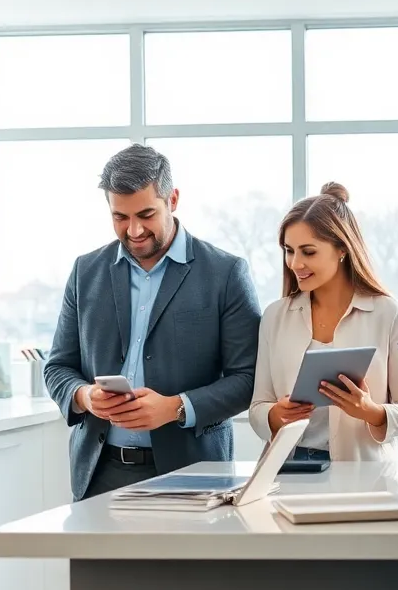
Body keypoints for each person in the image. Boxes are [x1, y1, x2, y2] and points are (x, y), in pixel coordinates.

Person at [43, 144, 262, 500]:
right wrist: (85, 397)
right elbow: (58, 367)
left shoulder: (225, 273)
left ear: (172, 199)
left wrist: (175, 407)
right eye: (120, 217)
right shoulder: (86, 272)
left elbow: (249, 378)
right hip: (99, 475)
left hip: (193, 473)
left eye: (146, 214)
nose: (134, 230)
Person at [248, 182, 398, 462]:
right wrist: (275, 415)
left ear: (342, 249)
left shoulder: (388, 313)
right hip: (287, 471)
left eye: (308, 252)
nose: (295, 263)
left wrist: (371, 411)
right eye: (288, 250)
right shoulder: (275, 316)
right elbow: (258, 406)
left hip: (364, 474)